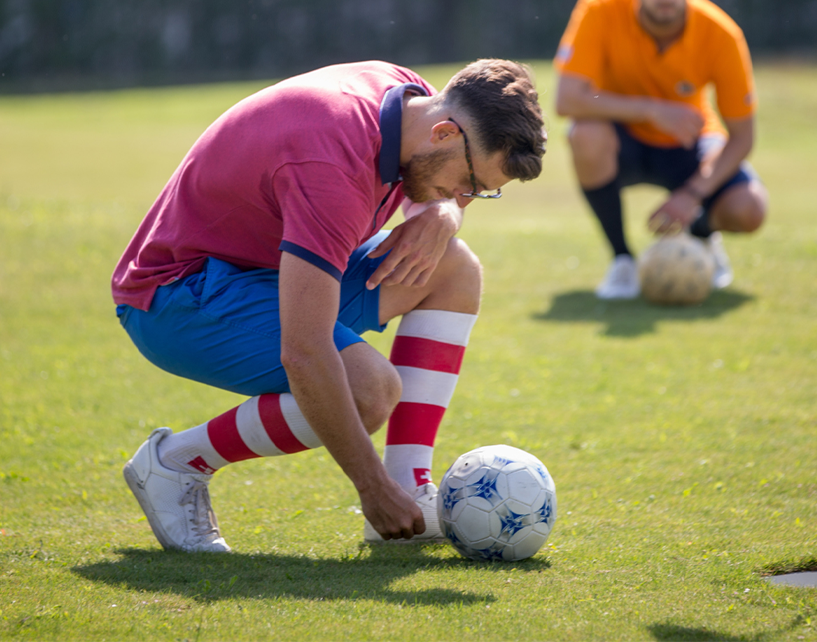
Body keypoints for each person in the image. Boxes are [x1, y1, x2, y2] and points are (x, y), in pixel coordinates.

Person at [112, 59, 547, 552]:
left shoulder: (412, 102)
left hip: (262, 275)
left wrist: (443, 213)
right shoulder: (332, 165)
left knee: (453, 268)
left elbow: (435, 194)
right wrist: (369, 488)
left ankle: (408, 484)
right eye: (469, 184)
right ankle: (175, 461)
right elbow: (305, 351)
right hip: (173, 299)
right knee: (369, 391)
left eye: (480, 193)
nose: (465, 201)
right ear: (446, 133)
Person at [554, 0, 767, 299]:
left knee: (749, 209)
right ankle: (622, 261)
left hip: (690, 143)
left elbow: (743, 138)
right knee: (583, 133)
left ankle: (701, 238)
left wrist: (693, 194)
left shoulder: (722, 34)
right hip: (624, 140)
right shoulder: (599, 7)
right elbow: (567, 99)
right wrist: (651, 110)